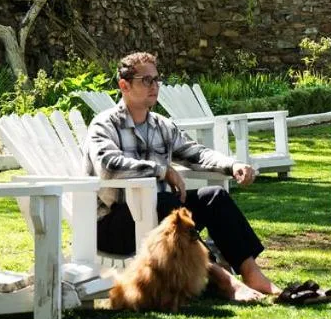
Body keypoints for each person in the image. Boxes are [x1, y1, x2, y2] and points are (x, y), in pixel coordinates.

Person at [85, 50, 280, 303]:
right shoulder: (104, 125)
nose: (155, 86)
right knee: (168, 206)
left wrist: (232, 166)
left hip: (161, 220)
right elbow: (109, 166)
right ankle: (224, 281)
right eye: (146, 80)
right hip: (114, 225)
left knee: (214, 197)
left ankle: (252, 274)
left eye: (157, 80)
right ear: (124, 85)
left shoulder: (161, 125)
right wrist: (162, 170)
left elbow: (195, 153)